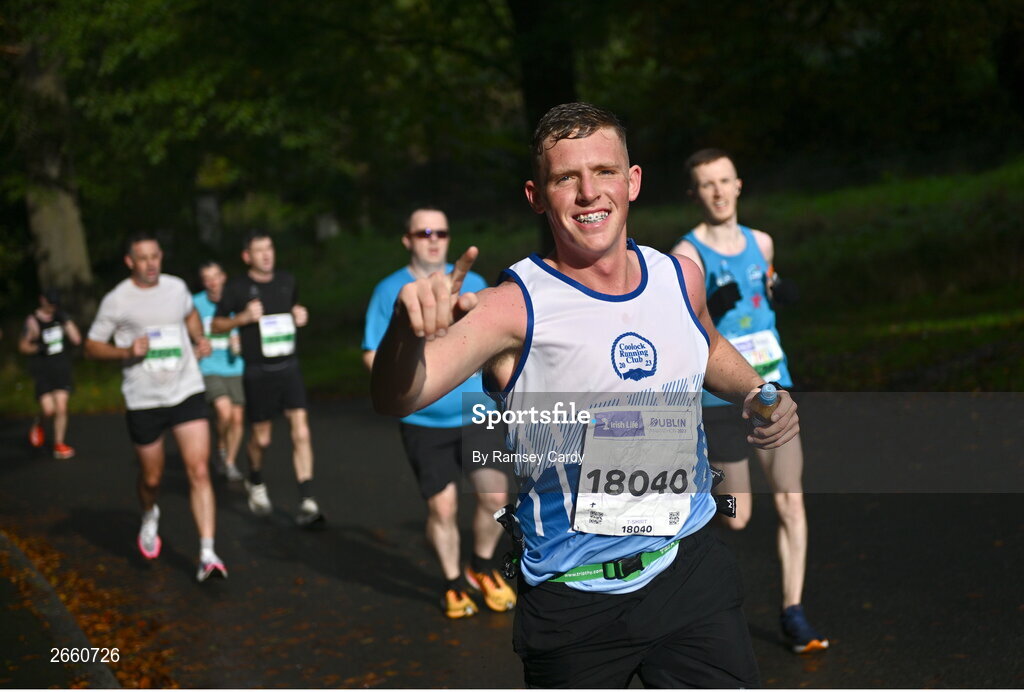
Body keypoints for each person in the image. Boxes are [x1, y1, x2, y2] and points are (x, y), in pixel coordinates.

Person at [371, 102, 800, 687]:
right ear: (536, 196)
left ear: (633, 181)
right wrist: (404, 329)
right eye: (565, 178)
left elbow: (704, 340)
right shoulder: (513, 305)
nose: (588, 193)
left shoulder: (679, 275)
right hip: (576, 604)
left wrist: (755, 389)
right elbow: (400, 396)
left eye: (603, 172)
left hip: (689, 568)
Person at [670, 148, 828, 654]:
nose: (718, 191)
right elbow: (681, 330)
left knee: (791, 501)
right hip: (720, 397)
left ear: (739, 184)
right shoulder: (686, 254)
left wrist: (782, 292)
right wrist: (706, 310)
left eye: (724, 181)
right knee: (737, 514)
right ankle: (688, 501)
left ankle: (794, 612)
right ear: (694, 194)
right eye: (706, 184)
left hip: (771, 386)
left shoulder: (762, 241)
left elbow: (770, 286)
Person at [363, 207, 515, 619]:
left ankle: (480, 568)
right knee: (443, 509)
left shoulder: (476, 284)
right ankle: (452, 584)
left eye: (441, 231)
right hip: (423, 422)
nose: (434, 238)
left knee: (496, 497)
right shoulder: (389, 291)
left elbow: (498, 347)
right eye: (424, 232)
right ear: (408, 239)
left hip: (478, 413)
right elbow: (372, 357)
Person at [85, 232, 227, 582]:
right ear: (130, 262)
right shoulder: (117, 301)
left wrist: (199, 339)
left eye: (155, 257)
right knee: (152, 478)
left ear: (161, 257)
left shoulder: (176, 288)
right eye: (143, 258)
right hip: (144, 398)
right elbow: (91, 346)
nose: (151, 264)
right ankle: (149, 514)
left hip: (186, 388)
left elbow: (190, 313)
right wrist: (126, 352)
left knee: (199, 470)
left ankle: (208, 554)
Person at [212, 231, 324, 527]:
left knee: (300, 431)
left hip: (289, 367)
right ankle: (257, 481)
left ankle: (307, 500)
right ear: (247, 256)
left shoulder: (287, 281)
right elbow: (216, 324)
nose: (266, 255)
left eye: (270, 248)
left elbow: (294, 311)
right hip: (258, 372)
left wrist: (300, 315)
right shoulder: (238, 287)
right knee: (262, 438)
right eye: (259, 250)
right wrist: (242, 318)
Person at [194, 261, 246, 482]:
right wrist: (194, 348)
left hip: (235, 366)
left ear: (224, 277)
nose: (213, 282)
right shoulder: (195, 304)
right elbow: (182, 331)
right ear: (203, 282)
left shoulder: (237, 300)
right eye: (207, 278)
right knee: (223, 411)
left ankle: (229, 461)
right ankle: (221, 446)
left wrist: (241, 341)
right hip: (208, 368)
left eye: (216, 276)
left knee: (237, 419)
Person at [19, 289, 82, 459]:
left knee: (61, 407)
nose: (52, 307)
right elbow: (23, 346)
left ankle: (58, 444)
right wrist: (38, 348)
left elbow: (76, 339)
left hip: (61, 368)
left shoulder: (60, 317)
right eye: (50, 303)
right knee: (49, 410)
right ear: (42, 300)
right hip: (43, 370)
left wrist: (66, 321)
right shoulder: (33, 321)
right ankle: (39, 424)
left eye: (55, 304)